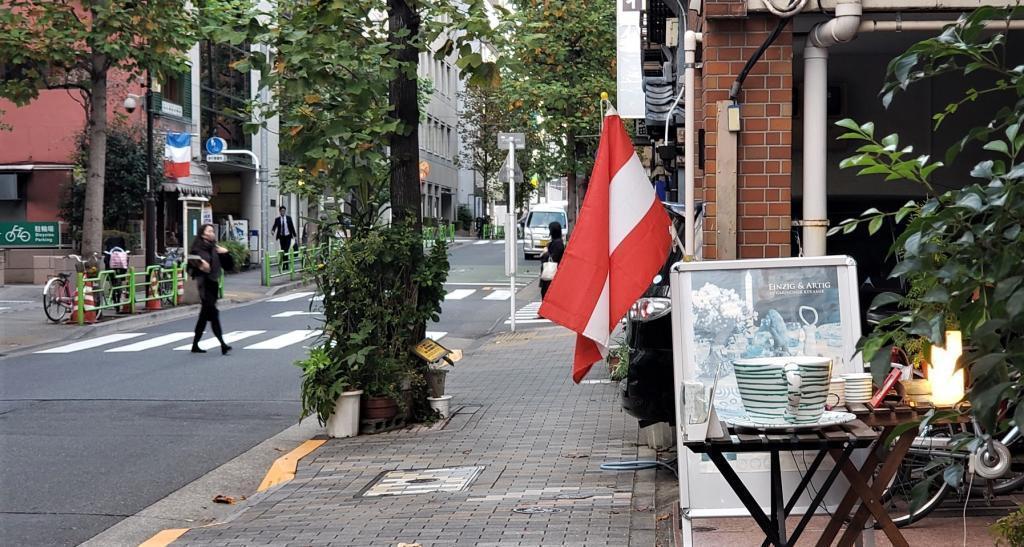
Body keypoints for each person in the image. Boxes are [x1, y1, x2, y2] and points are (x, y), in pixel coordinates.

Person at [189, 224, 232, 355]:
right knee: (213, 314)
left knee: (204, 316)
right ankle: (223, 344)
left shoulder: (214, 248)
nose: (212, 233)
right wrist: (201, 265)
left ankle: (195, 345)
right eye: (209, 231)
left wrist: (226, 253)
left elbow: (229, 266)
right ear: (203, 234)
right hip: (203, 284)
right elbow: (191, 265)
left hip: (213, 283)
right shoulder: (197, 249)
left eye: (213, 231)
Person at [538, 221, 565, 304]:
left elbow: (554, 258)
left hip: (551, 272)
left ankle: (544, 310)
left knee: (546, 291)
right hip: (552, 272)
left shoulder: (557, 243)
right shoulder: (558, 242)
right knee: (546, 291)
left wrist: (545, 253)